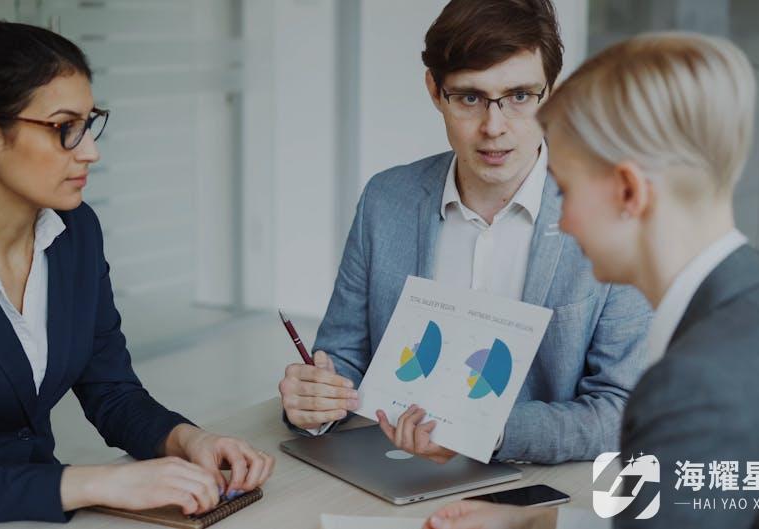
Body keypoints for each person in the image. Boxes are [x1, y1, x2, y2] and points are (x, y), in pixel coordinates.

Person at [422, 31, 759, 529]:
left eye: (566, 187)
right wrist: (534, 523)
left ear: (628, 191)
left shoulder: (692, 384)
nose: (561, 221)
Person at [0, 21, 274, 527]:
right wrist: (102, 481)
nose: (90, 150)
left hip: (35, 515)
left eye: (90, 122)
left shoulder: (74, 232)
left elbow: (112, 391)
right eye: (65, 128)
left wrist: (191, 439)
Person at [278, 0, 652, 466]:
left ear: (551, 93)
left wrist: (486, 433)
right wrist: (314, 402)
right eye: (470, 97)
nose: (494, 128)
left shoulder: (614, 215)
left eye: (519, 96)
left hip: (536, 484)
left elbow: (624, 411)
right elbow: (343, 360)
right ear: (435, 91)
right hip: (395, 470)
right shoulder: (386, 199)